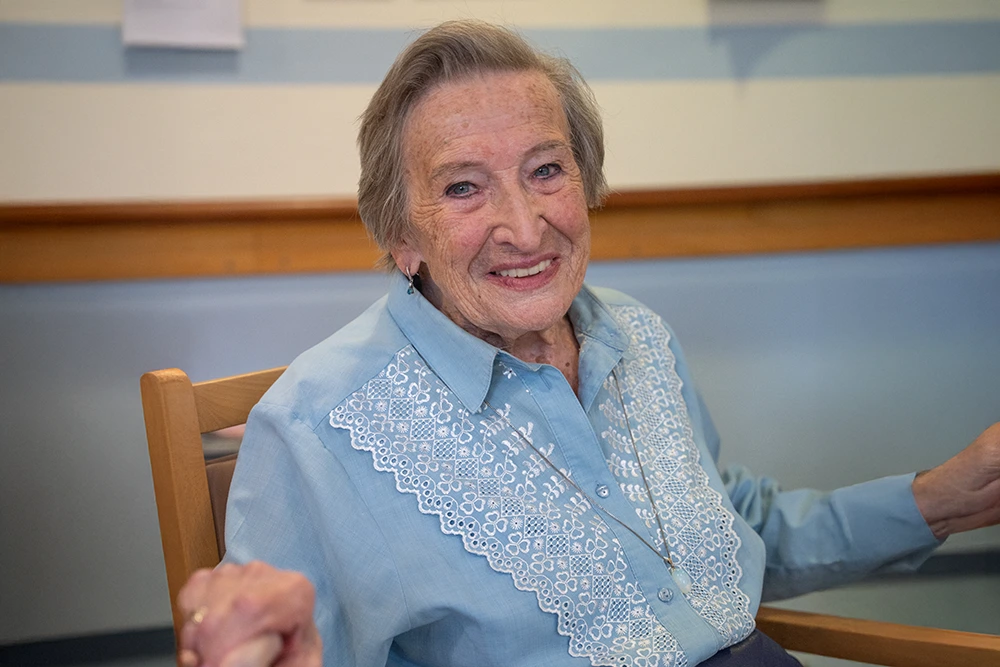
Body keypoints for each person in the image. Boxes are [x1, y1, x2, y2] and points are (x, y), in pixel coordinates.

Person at [175, 20, 1000, 667]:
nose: (525, 226)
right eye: (464, 186)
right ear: (400, 234)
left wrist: (941, 498)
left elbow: (735, 532)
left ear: (588, 180)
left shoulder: (635, 334)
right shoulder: (319, 426)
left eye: (546, 170)